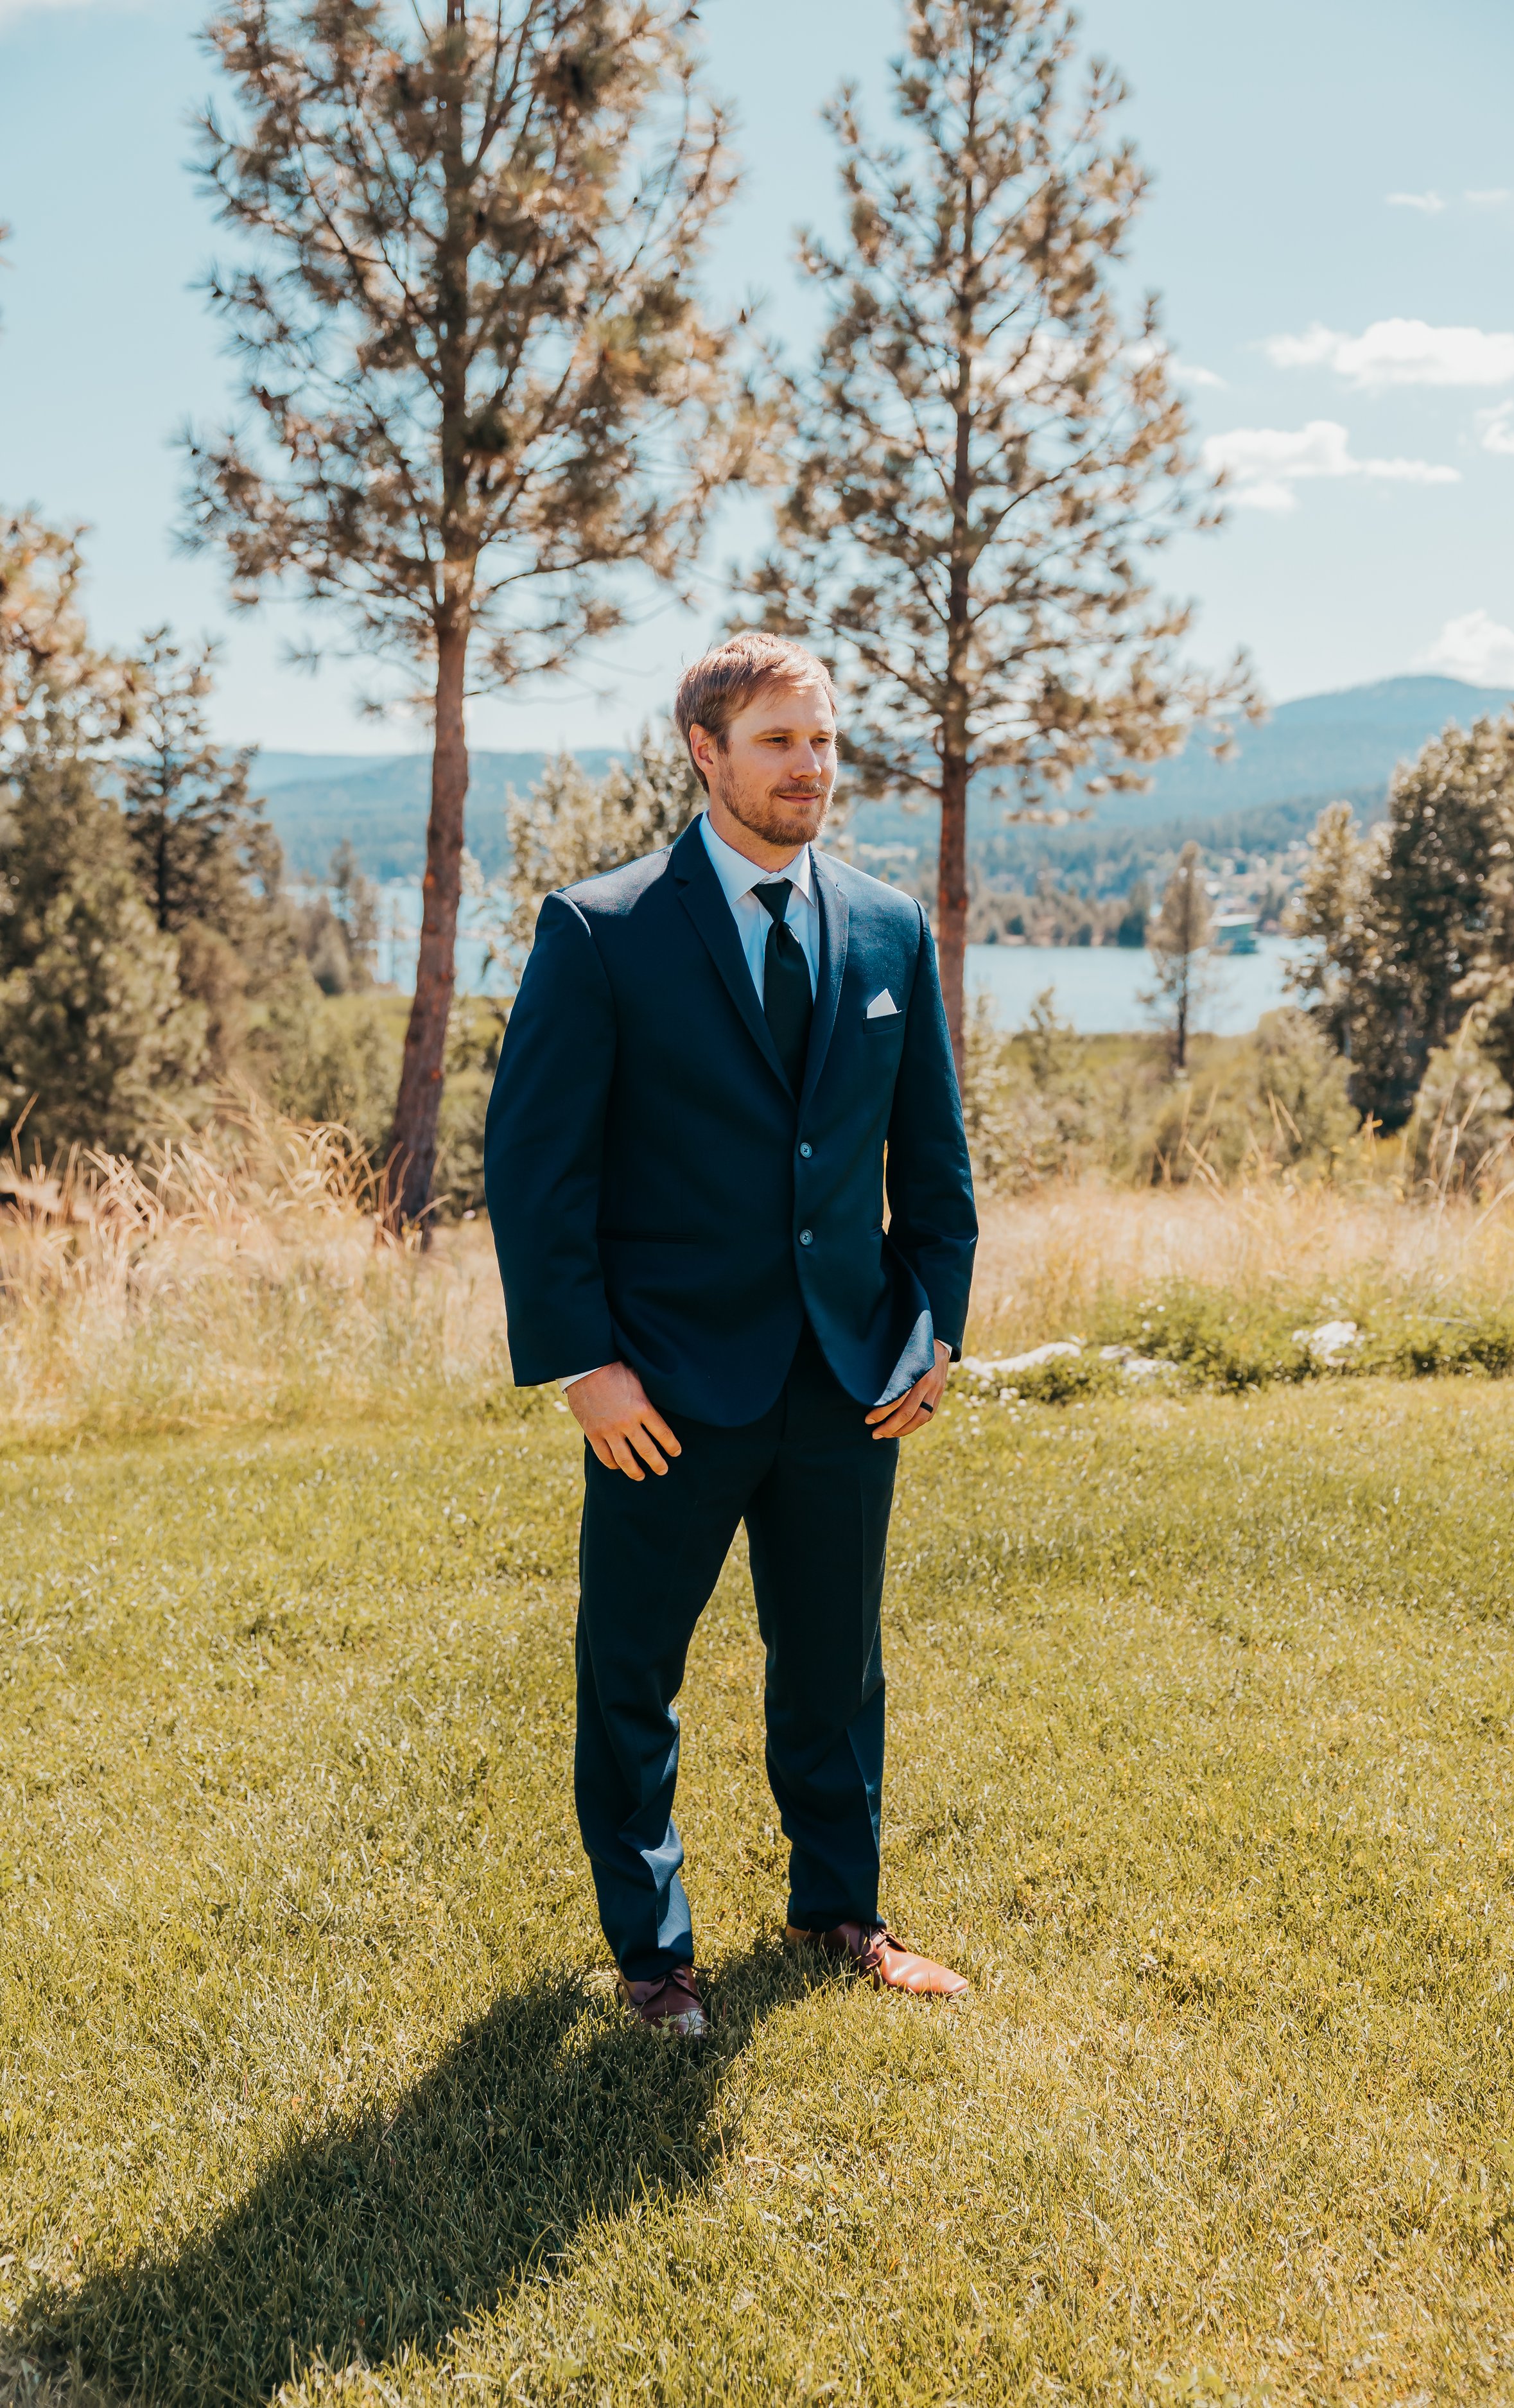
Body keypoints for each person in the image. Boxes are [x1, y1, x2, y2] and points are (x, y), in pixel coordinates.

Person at [483, 633, 977, 2036]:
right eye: (777, 741)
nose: (809, 767)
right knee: (632, 1676)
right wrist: (585, 1365)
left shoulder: (887, 926)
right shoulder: (602, 929)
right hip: (662, 1386)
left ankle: (840, 1911)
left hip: (848, 1376)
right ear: (705, 752)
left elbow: (934, 1164)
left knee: (835, 1666)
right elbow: (534, 1169)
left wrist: (931, 1332)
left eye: (821, 741)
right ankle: (654, 1958)